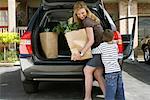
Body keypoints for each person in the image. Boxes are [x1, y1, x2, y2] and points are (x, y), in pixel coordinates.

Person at [71, 1, 105, 100]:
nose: (81, 15)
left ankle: (87, 97)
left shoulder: (87, 22)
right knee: (97, 74)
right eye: (78, 14)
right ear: (76, 14)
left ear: (86, 10)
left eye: (83, 13)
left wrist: (81, 53)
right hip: (100, 49)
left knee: (87, 70)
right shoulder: (90, 20)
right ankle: (109, 96)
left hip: (99, 50)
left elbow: (91, 40)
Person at [96, 29, 125, 100]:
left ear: (103, 37)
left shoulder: (102, 46)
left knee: (110, 92)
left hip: (110, 72)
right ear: (113, 37)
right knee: (119, 90)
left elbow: (94, 51)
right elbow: (118, 54)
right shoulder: (115, 45)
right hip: (118, 71)